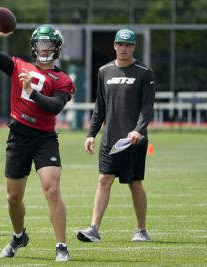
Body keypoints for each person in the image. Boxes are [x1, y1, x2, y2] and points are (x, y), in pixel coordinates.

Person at [0, 24, 75, 262]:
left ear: (56, 48)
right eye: (41, 44)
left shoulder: (62, 78)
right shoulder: (18, 65)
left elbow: (55, 106)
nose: (44, 49)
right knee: (13, 198)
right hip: (18, 136)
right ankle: (18, 236)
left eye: (49, 45)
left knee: (52, 189)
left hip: (44, 138)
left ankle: (61, 245)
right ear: (34, 47)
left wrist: (31, 91)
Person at [76, 28, 155, 243]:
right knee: (104, 179)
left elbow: (147, 108)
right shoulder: (104, 71)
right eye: (120, 44)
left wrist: (138, 130)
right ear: (114, 46)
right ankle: (93, 228)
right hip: (109, 139)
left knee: (135, 183)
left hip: (134, 141)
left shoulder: (144, 72)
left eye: (128, 45)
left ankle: (141, 230)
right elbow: (99, 107)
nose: (124, 48)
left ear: (134, 48)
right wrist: (91, 134)